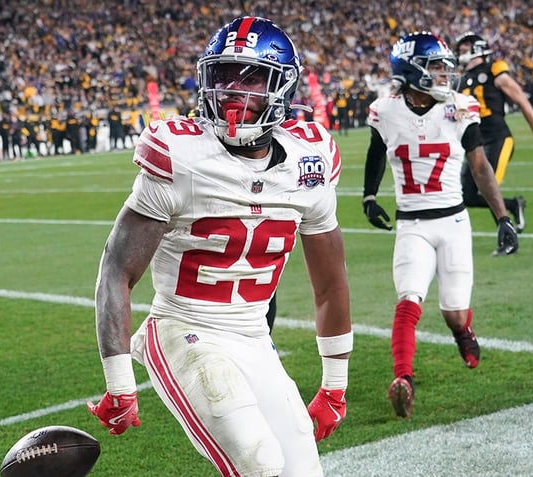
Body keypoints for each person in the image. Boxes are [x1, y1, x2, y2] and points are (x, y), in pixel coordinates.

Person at [87, 16, 353, 477]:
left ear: (282, 87)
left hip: (253, 336)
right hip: (183, 328)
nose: (231, 89)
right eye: (223, 75)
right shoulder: (182, 155)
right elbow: (116, 268)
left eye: (250, 77)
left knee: (303, 472)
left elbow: (330, 284)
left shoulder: (309, 162)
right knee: (260, 463)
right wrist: (118, 381)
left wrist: (334, 385)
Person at [361, 32, 518, 419]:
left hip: (454, 222)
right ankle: (403, 380)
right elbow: (376, 153)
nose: (444, 74)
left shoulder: (461, 107)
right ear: (412, 69)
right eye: (435, 66)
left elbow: (480, 165)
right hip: (411, 223)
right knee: (408, 299)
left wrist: (502, 216)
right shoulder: (385, 110)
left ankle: (462, 332)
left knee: (453, 310)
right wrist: (368, 196)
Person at [453, 32, 533, 233]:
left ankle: (506, 235)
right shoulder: (460, 81)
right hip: (473, 142)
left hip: (497, 138)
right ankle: (513, 205)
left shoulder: (494, 71)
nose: (461, 51)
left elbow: (521, 99)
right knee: (468, 195)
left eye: (465, 47)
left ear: (476, 48)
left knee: (488, 187)